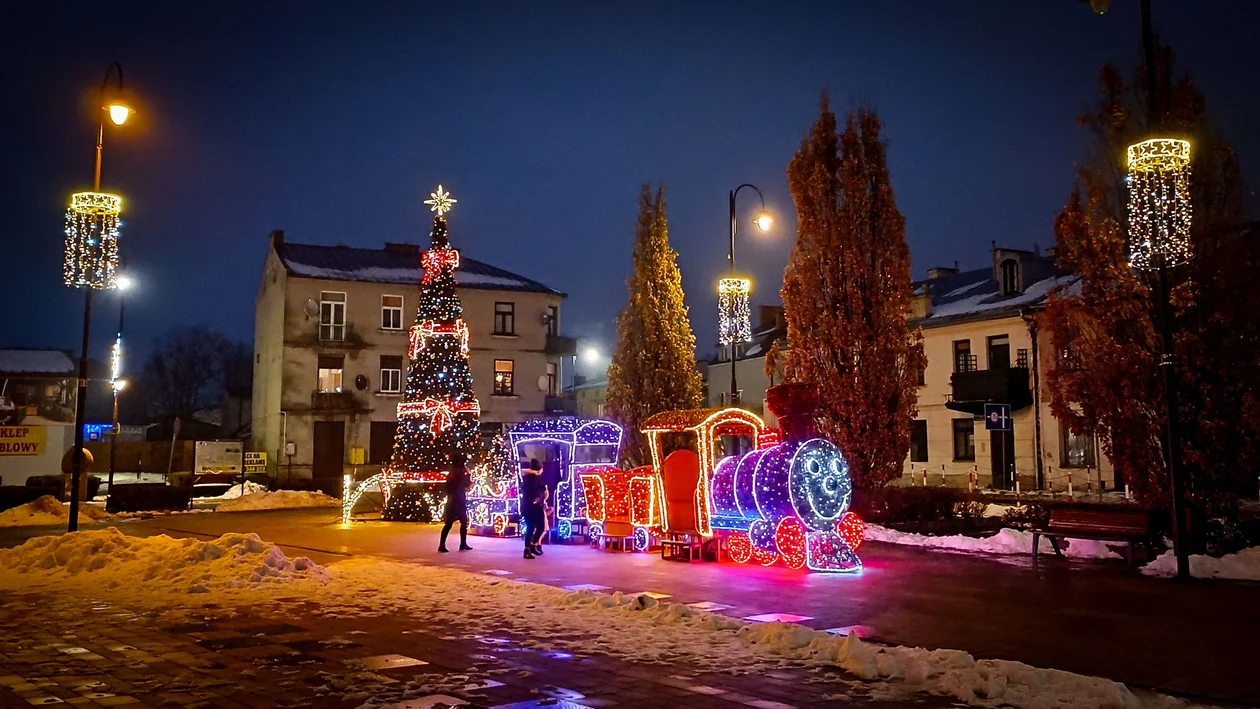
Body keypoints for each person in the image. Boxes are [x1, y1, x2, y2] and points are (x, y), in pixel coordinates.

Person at [438, 457, 473, 553]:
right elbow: (467, 484)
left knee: (449, 524)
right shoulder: (459, 474)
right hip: (458, 500)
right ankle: (462, 543)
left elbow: (447, 488)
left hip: (453, 500)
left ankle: (443, 544)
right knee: (461, 522)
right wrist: (468, 474)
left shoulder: (452, 474)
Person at [521, 458, 547, 559]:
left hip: (535, 506)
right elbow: (537, 492)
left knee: (539, 527)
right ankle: (527, 549)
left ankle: (532, 545)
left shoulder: (536, 478)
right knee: (531, 527)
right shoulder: (530, 479)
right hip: (530, 506)